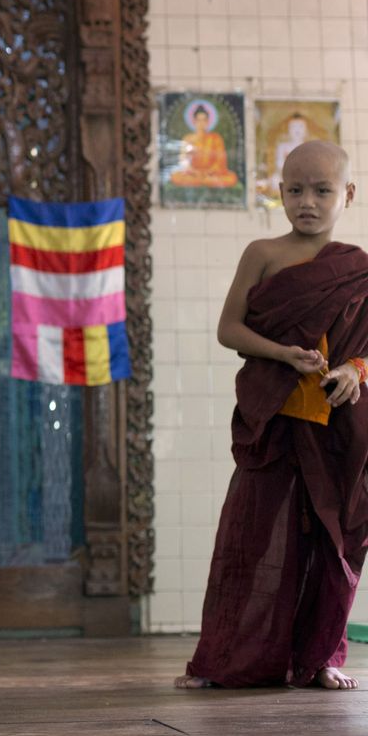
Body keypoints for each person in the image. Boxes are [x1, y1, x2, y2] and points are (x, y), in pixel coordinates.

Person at [176, 140, 368, 691]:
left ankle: (322, 656)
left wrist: (355, 369)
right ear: (279, 192)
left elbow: (366, 350)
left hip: (334, 427)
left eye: (322, 190)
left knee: (331, 541)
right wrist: (283, 354)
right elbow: (228, 329)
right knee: (250, 534)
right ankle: (222, 660)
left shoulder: (356, 268)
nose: (307, 201)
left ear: (347, 194)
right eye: (295, 189)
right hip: (274, 419)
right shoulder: (263, 252)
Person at [170, 104, 239, 188]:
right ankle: (203, 181)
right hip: (193, 175)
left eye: (204, 120)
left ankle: (203, 181)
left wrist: (208, 172)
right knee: (176, 177)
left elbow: (220, 162)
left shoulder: (216, 138)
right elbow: (184, 161)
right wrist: (194, 172)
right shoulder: (188, 139)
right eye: (198, 120)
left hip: (212, 175)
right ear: (194, 122)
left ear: (208, 122)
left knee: (232, 177)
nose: (201, 123)